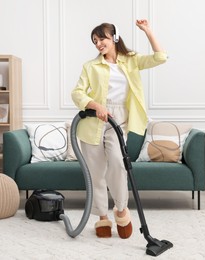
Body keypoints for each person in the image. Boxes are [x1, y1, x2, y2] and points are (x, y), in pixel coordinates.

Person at [71, 20, 167, 239]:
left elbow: (160, 57)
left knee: (118, 163)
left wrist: (148, 31)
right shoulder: (90, 66)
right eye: (95, 41)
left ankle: (121, 210)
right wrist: (96, 106)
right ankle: (102, 217)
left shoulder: (131, 60)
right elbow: (77, 93)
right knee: (96, 173)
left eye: (102, 38)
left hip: (118, 121)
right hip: (92, 122)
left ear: (114, 37)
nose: (98, 44)